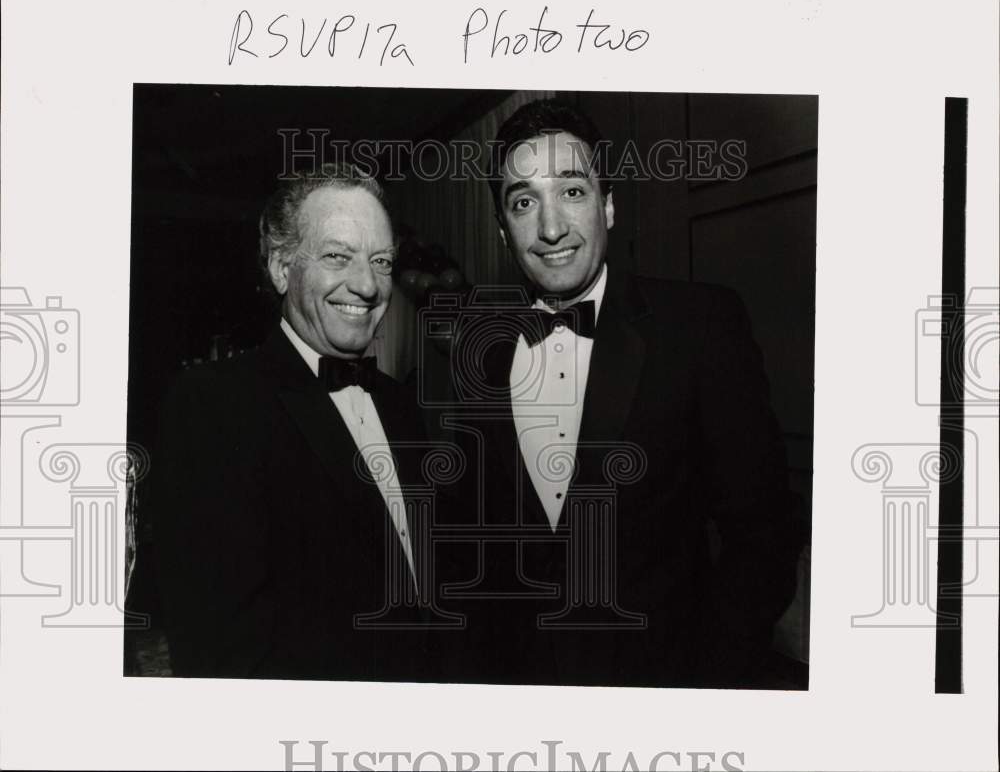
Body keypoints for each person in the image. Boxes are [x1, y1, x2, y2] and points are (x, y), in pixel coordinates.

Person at [448, 100, 805, 688]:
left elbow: (762, 532)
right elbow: (472, 549)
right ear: (501, 228)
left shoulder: (699, 326)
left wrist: (707, 681)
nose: (551, 227)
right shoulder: (479, 350)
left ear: (608, 205)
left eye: (572, 191)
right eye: (523, 201)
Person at [152, 163, 436, 680]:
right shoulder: (215, 403)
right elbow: (217, 644)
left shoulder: (402, 405)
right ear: (281, 267)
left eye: (381, 261)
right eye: (337, 256)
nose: (367, 285)